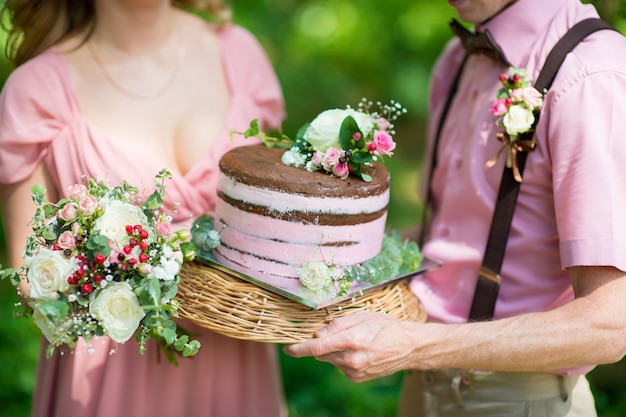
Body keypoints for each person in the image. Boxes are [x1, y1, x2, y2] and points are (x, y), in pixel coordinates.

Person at [284, 0, 626, 415]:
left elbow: (610, 324)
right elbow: (444, 240)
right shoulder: (457, 58)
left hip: (519, 399)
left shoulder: (591, 72)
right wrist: (308, 261)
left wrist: (414, 345)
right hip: (420, 388)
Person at [0, 1, 287, 416]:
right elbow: (29, 275)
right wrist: (127, 272)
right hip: (110, 373)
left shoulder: (238, 53)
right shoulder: (37, 90)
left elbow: (276, 219)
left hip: (235, 356)